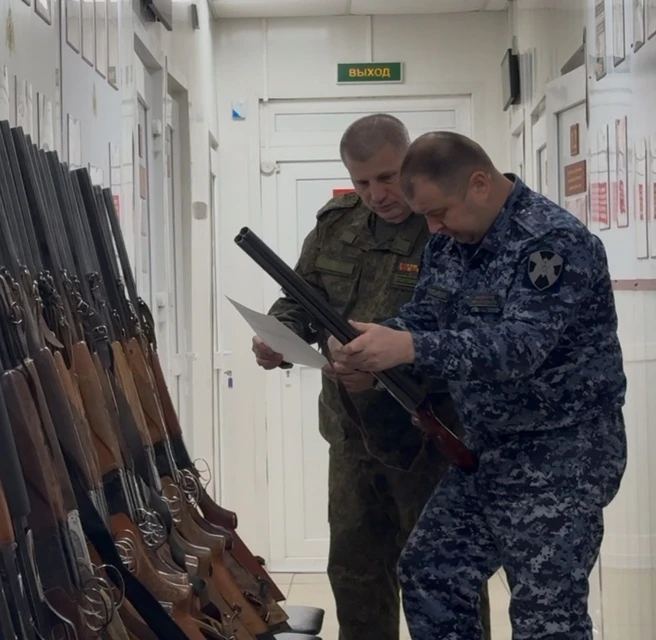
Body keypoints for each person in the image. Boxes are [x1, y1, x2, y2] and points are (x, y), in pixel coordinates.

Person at [331, 131, 627, 639]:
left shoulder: (551, 242)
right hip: (485, 451)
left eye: (439, 212)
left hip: (562, 453)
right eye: (425, 215)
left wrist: (408, 348)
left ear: (480, 184)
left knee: (545, 615)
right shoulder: (449, 243)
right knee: (429, 575)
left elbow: (520, 348)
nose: (433, 227)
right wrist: (372, 352)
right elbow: (422, 318)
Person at [253, 114, 490, 639]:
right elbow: (301, 296)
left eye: (387, 177)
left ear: (410, 162)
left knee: (443, 578)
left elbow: (467, 337)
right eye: (362, 182)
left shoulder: (446, 227)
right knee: (356, 574)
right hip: (352, 432)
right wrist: (278, 336)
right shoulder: (338, 224)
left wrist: (387, 372)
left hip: (428, 435)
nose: (377, 194)